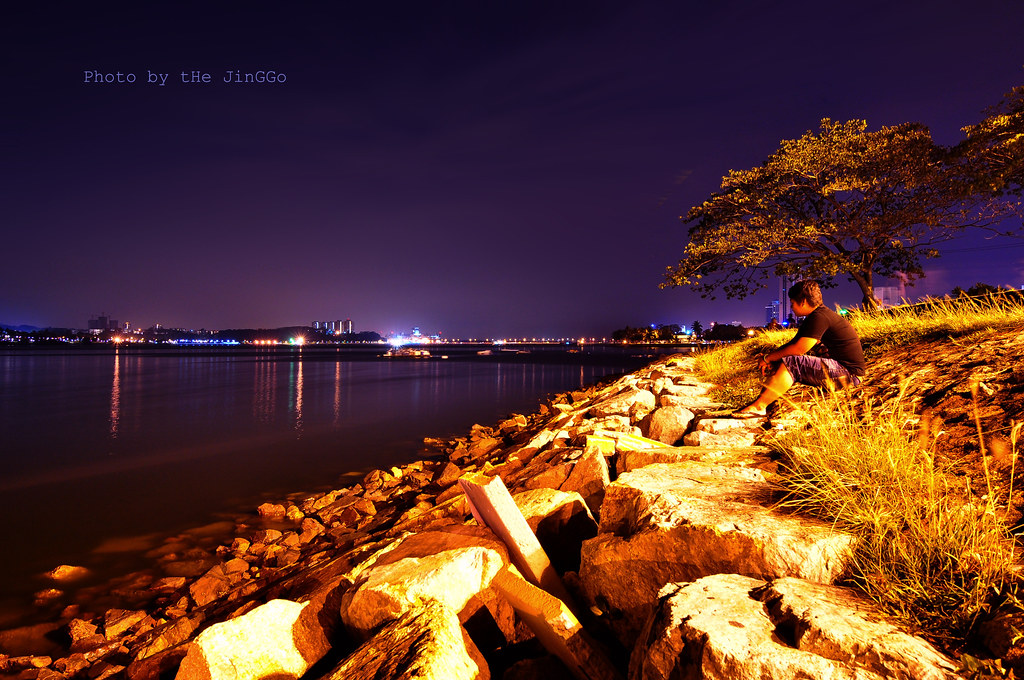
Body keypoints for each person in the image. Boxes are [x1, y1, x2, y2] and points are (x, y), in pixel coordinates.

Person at [732, 280, 865, 418]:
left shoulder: (820, 317)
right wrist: (771, 359)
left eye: (792, 303)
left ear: (803, 301)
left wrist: (767, 358)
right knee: (784, 360)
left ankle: (759, 406)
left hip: (849, 375)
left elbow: (798, 349)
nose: (791, 308)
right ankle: (761, 402)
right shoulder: (816, 316)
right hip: (840, 370)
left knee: (792, 363)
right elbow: (792, 344)